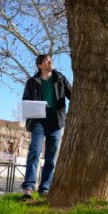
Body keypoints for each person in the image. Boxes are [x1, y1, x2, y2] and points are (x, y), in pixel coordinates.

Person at [21, 54, 71, 199]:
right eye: (46, 60)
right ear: (39, 65)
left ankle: (45, 188)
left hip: (56, 121)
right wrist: (39, 106)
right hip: (38, 120)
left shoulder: (60, 78)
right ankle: (28, 188)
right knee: (35, 151)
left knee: (51, 156)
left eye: (51, 60)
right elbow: (26, 101)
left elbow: (72, 94)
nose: (50, 62)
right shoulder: (32, 82)